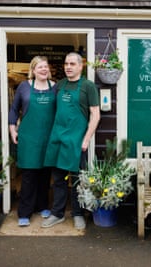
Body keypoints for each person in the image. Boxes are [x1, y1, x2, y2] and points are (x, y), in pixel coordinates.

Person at [42, 52, 100, 230]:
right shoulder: (59, 85)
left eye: (72, 64)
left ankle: (77, 214)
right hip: (58, 137)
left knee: (76, 180)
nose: (68, 67)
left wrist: (86, 139)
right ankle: (57, 213)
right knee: (58, 179)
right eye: (66, 63)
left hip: (77, 140)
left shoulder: (88, 86)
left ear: (80, 66)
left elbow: (95, 115)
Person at [9, 56, 57, 227]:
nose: (43, 69)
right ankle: (24, 213)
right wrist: (12, 128)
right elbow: (14, 109)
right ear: (33, 70)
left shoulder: (55, 87)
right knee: (29, 175)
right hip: (29, 137)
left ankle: (43, 206)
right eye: (40, 67)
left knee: (45, 174)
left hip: (48, 136)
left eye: (46, 66)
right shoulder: (24, 86)